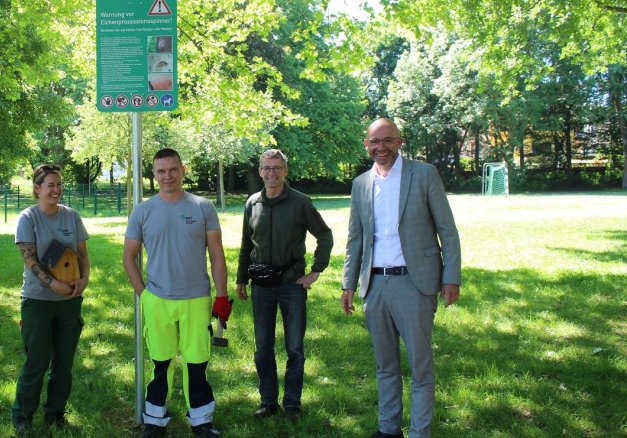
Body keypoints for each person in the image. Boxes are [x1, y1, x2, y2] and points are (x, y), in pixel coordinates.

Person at [340, 118, 461, 438]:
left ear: (400, 142)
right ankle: (388, 429)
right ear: (366, 145)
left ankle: (419, 432)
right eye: (374, 142)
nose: (381, 147)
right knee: (385, 365)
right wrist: (348, 283)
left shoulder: (423, 174)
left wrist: (452, 276)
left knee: (420, 366)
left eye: (388, 140)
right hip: (375, 285)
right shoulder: (361, 184)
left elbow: (447, 230)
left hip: (415, 283)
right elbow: (356, 238)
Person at [123, 148, 230, 438]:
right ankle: (155, 421)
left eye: (172, 169)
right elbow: (128, 257)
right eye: (161, 171)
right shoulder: (143, 211)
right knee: (161, 362)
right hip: (157, 299)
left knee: (197, 362)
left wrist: (222, 296)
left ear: (183, 170)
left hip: (196, 298)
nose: (167, 176)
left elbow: (217, 255)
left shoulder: (202, 207)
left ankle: (202, 421)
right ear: (154, 174)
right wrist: (143, 294)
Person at [235, 149, 333, 419]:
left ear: (286, 171)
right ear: (260, 171)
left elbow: (325, 235)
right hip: (261, 287)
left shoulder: (300, 202)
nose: (272, 173)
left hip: (292, 285)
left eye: (277, 168)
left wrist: (315, 271)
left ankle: (292, 403)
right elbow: (246, 244)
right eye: (267, 168)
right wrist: (241, 278)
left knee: (294, 347)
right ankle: (268, 402)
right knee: (263, 346)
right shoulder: (252, 203)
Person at [11, 164, 90, 436]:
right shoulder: (28, 218)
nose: (56, 190)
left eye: (59, 185)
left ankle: (56, 413)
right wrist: (53, 284)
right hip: (38, 302)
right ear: (37, 189)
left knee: (64, 362)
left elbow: (82, 253)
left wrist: (84, 279)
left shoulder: (72, 217)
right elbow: (29, 259)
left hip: (69, 301)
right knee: (36, 361)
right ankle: (23, 415)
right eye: (50, 185)